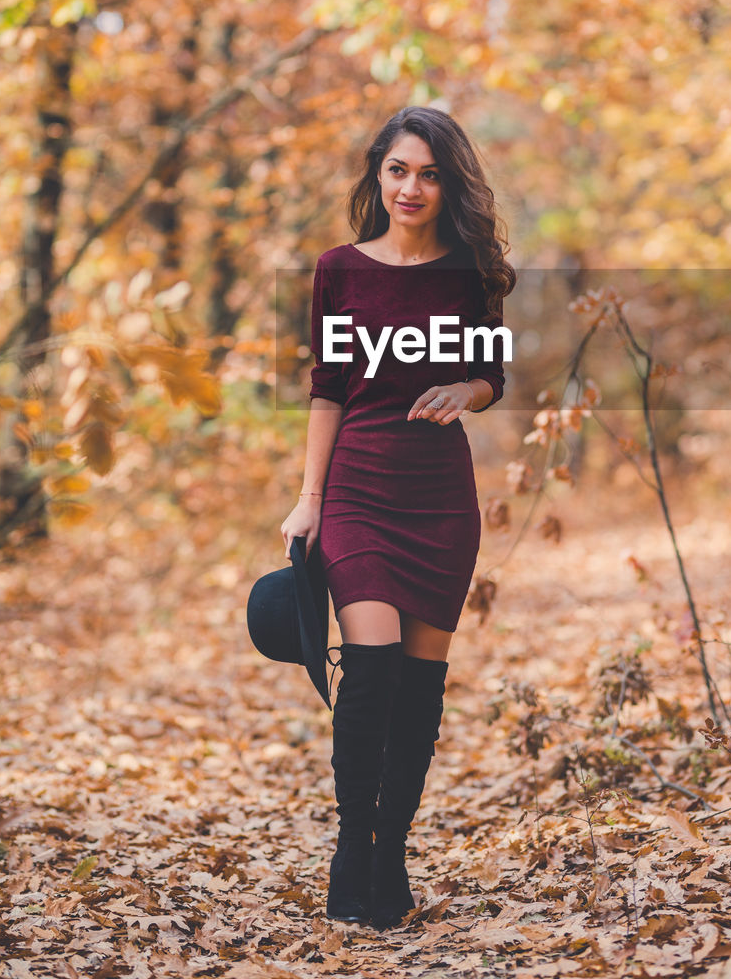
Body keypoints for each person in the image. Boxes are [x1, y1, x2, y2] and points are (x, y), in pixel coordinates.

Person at [279, 105, 515, 930]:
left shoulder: (468, 273)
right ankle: (354, 844)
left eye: (429, 173)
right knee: (370, 668)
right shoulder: (338, 269)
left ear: (448, 183)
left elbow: (494, 373)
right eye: (397, 170)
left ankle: (392, 851)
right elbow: (328, 387)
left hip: (440, 500)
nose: (411, 187)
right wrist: (309, 499)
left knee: (418, 689)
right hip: (358, 491)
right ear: (377, 175)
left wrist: (468, 390)